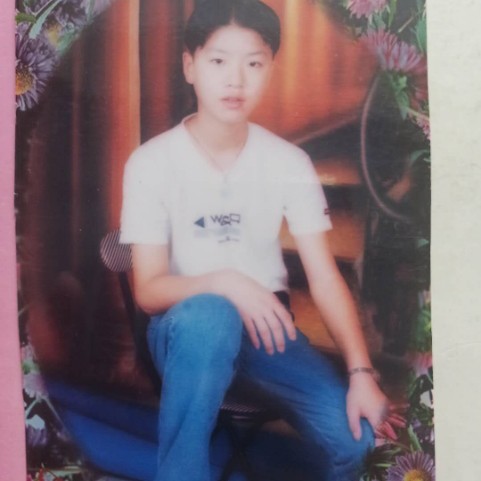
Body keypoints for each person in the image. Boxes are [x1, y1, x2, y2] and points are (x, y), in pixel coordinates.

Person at [120, 0, 387, 479]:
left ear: (270, 70)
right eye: (218, 61)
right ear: (189, 66)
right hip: (186, 330)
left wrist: (361, 373)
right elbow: (148, 290)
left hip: (267, 331)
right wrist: (226, 281)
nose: (236, 80)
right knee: (211, 315)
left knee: (359, 439)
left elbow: (325, 279)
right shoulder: (151, 162)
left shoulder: (289, 163)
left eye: (254, 64)